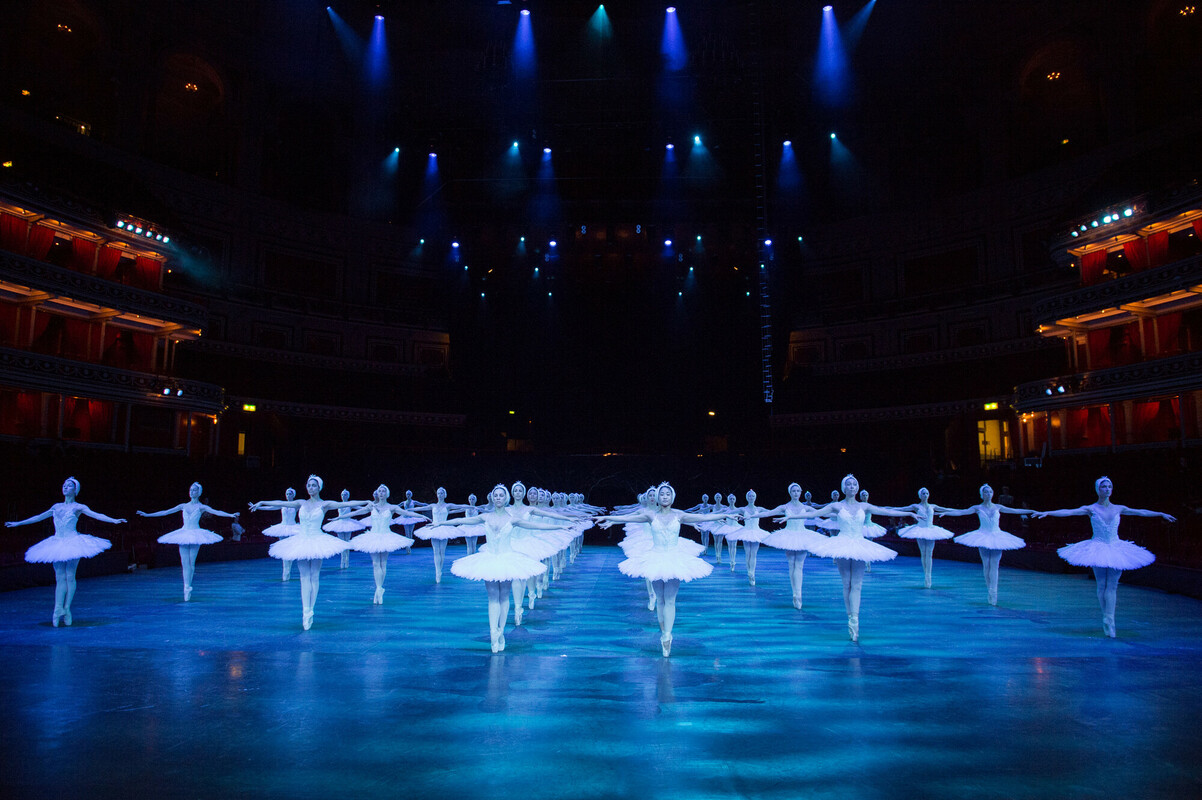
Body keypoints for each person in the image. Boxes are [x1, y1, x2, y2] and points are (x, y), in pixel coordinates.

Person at [595, 483, 729, 656]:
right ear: (658, 497)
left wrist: (725, 514)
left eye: (668, 494)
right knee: (660, 599)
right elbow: (629, 517)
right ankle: (663, 632)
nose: (665, 496)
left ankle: (667, 635)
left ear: (672, 497)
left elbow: (701, 517)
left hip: (674, 559)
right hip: (656, 558)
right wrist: (610, 519)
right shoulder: (650, 515)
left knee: (670, 600)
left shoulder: (679, 514)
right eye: (662, 494)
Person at [1033, 477, 1175, 637]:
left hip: (1116, 548)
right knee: (1101, 585)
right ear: (1097, 489)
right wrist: (1048, 513)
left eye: (1109, 486)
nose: (1107, 489)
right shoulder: (1091, 508)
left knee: (1112, 586)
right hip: (1098, 547)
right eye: (1104, 487)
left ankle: (1110, 619)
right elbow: (1069, 511)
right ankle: (1106, 617)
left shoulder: (1119, 508)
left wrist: (1160, 514)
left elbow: (1141, 512)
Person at [778, 475, 913, 642]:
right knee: (847, 583)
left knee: (857, 584)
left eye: (854, 484)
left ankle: (855, 620)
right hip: (842, 543)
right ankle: (850, 616)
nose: (852, 486)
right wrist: (790, 517)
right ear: (844, 488)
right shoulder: (836, 506)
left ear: (857, 487)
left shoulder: (864, 506)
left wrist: (909, 513)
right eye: (848, 484)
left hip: (859, 544)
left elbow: (887, 511)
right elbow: (816, 513)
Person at [444, 484, 559, 652]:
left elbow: (537, 526)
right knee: (492, 596)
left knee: (504, 596)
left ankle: (501, 631)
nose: (498, 498)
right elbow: (461, 520)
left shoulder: (512, 519)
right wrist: (440, 523)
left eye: (501, 495)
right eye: (495, 495)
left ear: (506, 498)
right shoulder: (485, 517)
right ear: (492, 497)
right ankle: (493, 633)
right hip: (490, 559)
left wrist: (562, 526)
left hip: (507, 560)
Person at [7, 477, 125, 626]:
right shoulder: (56, 507)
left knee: (70, 576)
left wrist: (113, 520)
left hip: (73, 542)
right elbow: (39, 517)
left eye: (69, 486)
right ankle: (57, 609)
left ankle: (67, 608)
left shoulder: (79, 507)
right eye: (64, 485)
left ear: (75, 490)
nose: (65, 487)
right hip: (57, 542)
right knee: (59, 577)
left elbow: (96, 515)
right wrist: (18, 523)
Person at [249, 475, 362, 629]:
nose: (310, 488)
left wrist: (367, 502)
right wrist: (262, 502)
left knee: (314, 576)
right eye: (309, 485)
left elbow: (347, 503)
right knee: (304, 577)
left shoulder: (325, 504)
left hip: (317, 541)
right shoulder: (301, 503)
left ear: (319, 487)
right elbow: (281, 503)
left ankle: (311, 610)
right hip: (301, 540)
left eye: (314, 485)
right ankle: (305, 611)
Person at [136, 482, 239, 601]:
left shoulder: (201, 507)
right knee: (184, 562)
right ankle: (186, 587)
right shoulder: (183, 506)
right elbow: (165, 512)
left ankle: (189, 585)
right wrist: (147, 515)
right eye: (190, 490)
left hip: (195, 534)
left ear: (199, 492)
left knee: (191, 562)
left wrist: (230, 515)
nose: (191, 492)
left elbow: (217, 511)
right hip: (184, 533)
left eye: (194, 490)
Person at [942, 484, 1035, 606]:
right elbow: (961, 512)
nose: (989, 494)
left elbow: (1015, 511)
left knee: (995, 565)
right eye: (986, 492)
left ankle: (994, 593)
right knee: (986, 565)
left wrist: (1032, 511)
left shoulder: (998, 507)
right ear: (982, 494)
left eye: (990, 491)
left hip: (997, 537)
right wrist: (946, 513)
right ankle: (989, 591)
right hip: (983, 536)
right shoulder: (977, 507)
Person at [755, 483, 830, 608]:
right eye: (793, 491)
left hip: (802, 536)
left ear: (801, 492)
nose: (796, 493)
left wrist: (839, 513)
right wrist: (752, 516)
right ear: (790, 492)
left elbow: (822, 513)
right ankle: (794, 593)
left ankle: (798, 594)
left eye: (798, 491)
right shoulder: (785, 507)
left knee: (799, 565)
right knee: (791, 565)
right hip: (789, 536)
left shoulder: (805, 507)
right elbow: (768, 513)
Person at [349, 484, 416, 604]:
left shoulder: (392, 507)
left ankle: (379, 589)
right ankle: (379, 589)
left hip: (386, 536)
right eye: (379, 491)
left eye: (383, 491)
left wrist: (421, 515)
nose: (381, 493)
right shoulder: (372, 506)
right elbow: (357, 512)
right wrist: (340, 517)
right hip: (373, 536)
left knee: (383, 563)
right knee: (375, 563)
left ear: (387, 494)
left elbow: (408, 513)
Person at [893, 488, 957, 588]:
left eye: (927, 493)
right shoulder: (916, 506)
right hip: (920, 530)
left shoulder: (933, 506)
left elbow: (947, 509)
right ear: (920, 495)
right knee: (923, 553)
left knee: (929, 553)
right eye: (923, 493)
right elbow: (901, 509)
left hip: (930, 530)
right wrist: (884, 509)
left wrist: (964, 511)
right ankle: (925, 575)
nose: (925, 495)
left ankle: (929, 576)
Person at [409, 487, 474, 583]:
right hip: (434, 529)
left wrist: (472, 507)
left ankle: (440, 569)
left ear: (445, 495)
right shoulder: (433, 506)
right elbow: (421, 508)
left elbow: (460, 506)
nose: (440, 495)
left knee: (442, 551)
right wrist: (409, 509)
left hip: (444, 529)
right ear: (437, 495)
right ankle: (437, 572)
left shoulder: (448, 505)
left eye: (442, 493)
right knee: (436, 551)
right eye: (438, 493)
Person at [723, 490, 772, 585]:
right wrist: (717, 514)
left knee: (753, 554)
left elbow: (770, 512)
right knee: (748, 553)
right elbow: (730, 512)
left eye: (753, 496)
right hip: (746, 532)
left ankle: (752, 573)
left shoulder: (759, 509)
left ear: (755, 497)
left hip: (756, 532)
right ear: (747, 497)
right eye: (749, 496)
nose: (751, 498)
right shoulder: (743, 509)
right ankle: (749, 571)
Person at [261, 487, 300, 580]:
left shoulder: (296, 505)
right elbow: (270, 508)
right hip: (283, 528)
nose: (288, 495)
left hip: (293, 528)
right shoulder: (282, 504)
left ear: (293, 495)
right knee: (284, 550)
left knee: (290, 550)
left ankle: (288, 571)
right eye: (287, 494)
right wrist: (258, 507)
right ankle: (285, 573)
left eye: (290, 494)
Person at [323, 489, 366, 569]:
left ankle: (347, 560)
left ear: (348, 496)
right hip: (339, 524)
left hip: (348, 523)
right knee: (342, 543)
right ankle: (342, 560)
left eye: (345, 495)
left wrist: (369, 507)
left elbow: (360, 508)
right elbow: (329, 506)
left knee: (347, 542)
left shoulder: (350, 504)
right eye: (342, 494)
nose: (344, 496)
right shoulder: (338, 504)